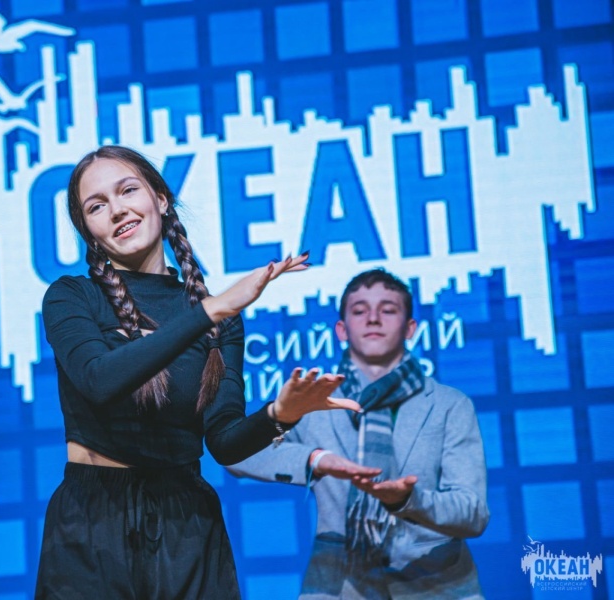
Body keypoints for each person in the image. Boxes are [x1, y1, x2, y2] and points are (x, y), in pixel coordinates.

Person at [35, 145, 362, 600]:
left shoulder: (219, 317)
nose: (117, 210)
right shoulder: (71, 296)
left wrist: (280, 414)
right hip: (93, 519)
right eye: (97, 206)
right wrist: (210, 311)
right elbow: (99, 380)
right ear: (88, 231)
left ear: (160, 199)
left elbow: (224, 442)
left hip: (186, 522)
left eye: (128, 190)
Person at [229, 269, 489, 599]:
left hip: (437, 584)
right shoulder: (313, 401)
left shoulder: (449, 405)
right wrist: (313, 458)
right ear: (341, 329)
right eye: (360, 310)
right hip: (338, 583)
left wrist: (407, 500)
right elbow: (236, 454)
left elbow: (472, 513)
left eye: (388, 310)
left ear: (411, 328)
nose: (373, 319)